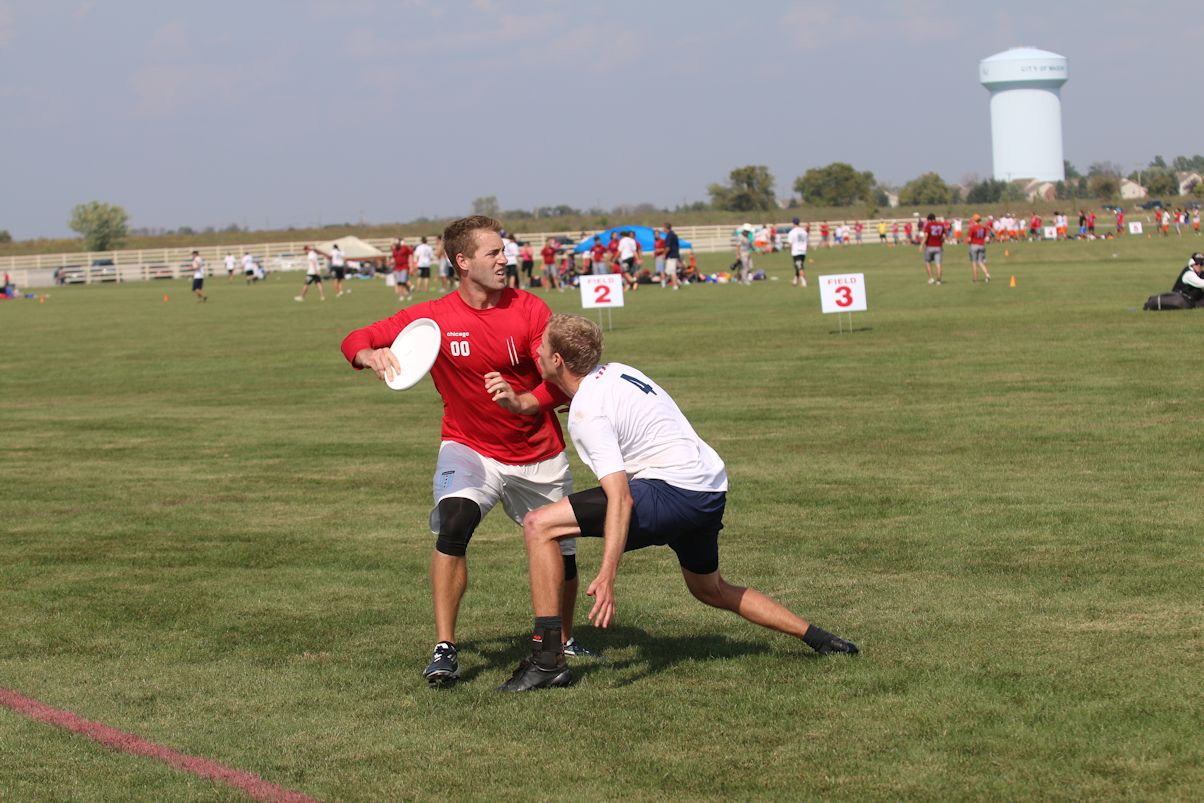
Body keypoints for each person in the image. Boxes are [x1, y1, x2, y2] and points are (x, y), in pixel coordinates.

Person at [489, 314, 859, 691]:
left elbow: (620, 497)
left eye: (542, 346)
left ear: (557, 361)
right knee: (709, 589)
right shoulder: (616, 372)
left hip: (672, 490)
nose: (536, 351)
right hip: (708, 489)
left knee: (539, 524)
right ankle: (820, 638)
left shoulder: (588, 412)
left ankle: (546, 661)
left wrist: (607, 574)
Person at [340, 216, 595, 686]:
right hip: (469, 446)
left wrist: (523, 402)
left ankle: (562, 637)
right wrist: (370, 355)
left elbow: (559, 380)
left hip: (536, 451)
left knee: (563, 552)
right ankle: (445, 648)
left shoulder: (529, 310)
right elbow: (355, 339)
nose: (505, 259)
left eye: (504, 251)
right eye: (493, 252)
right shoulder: (433, 318)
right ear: (462, 261)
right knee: (454, 523)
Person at [919, 213, 946, 285]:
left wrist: (921, 245)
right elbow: (944, 236)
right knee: (938, 264)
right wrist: (940, 241)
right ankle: (939, 280)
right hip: (939, 247)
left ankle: (931, 279)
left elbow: (926, 236)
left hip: (930, 246)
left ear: (929, 220)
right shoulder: (941, 225)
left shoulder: (929, 225)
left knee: (927, 262)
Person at [967, 214, 991, 284]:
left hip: (974, 245)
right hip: (982, 245)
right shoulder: (983, 227)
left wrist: (969, 242)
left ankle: (975, 279)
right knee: (980, 262)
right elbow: (985, 237)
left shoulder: (972, 228)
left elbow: (969, 239)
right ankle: (987, 274)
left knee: (974, 262)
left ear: (974, 220)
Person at [787, 217, 808, 287]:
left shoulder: (792, 232)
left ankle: (804, 281)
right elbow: (806, 241)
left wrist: (790, 249)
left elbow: (790, 243)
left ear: (793, 223)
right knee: (798, 266)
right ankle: (795, 280)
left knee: (799, 267)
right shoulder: (804, 231)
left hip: (796, 251)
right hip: (803, 251)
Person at [662, 223, 681, 290]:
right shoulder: (673, 234)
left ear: (666, 228)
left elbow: (668, 247)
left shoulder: (669, 235)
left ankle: (675, 286)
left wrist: (664, 254)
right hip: (674, 255)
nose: (662, 229)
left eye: (663, 227)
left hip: (671, 256)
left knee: (672, 271)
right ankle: (678, 282)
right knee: (668, 271)